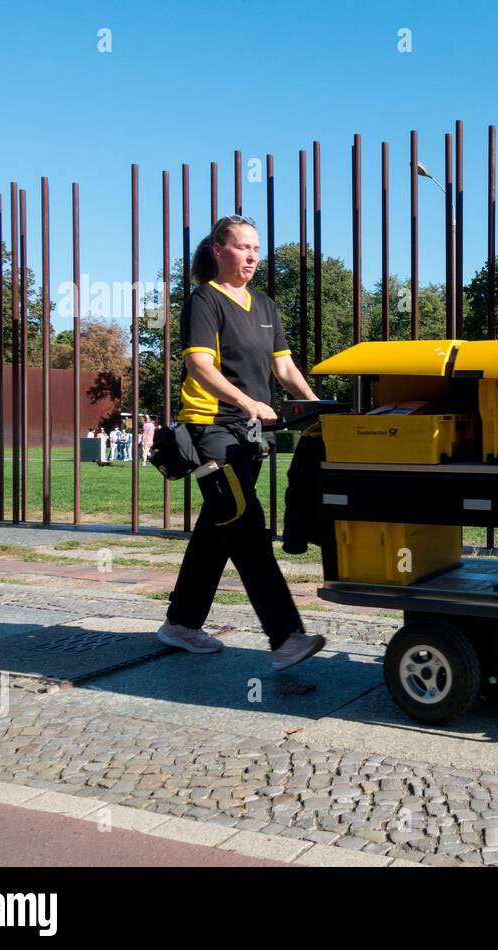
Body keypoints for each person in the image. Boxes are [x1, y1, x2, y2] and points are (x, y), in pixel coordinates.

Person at [158, 214, 326, 672]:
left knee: (219, 527)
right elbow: (199, 366)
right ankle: (286, 637)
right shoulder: (204, 301)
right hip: (210, 430)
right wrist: (247, 401)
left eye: (256, 249)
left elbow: (285, 369)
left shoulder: (265, 306)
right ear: (218, 250)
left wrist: (317, 408)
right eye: (242, 247)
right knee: (247, 526)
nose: (252, 256)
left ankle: (180, 623)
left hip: (248, 437)